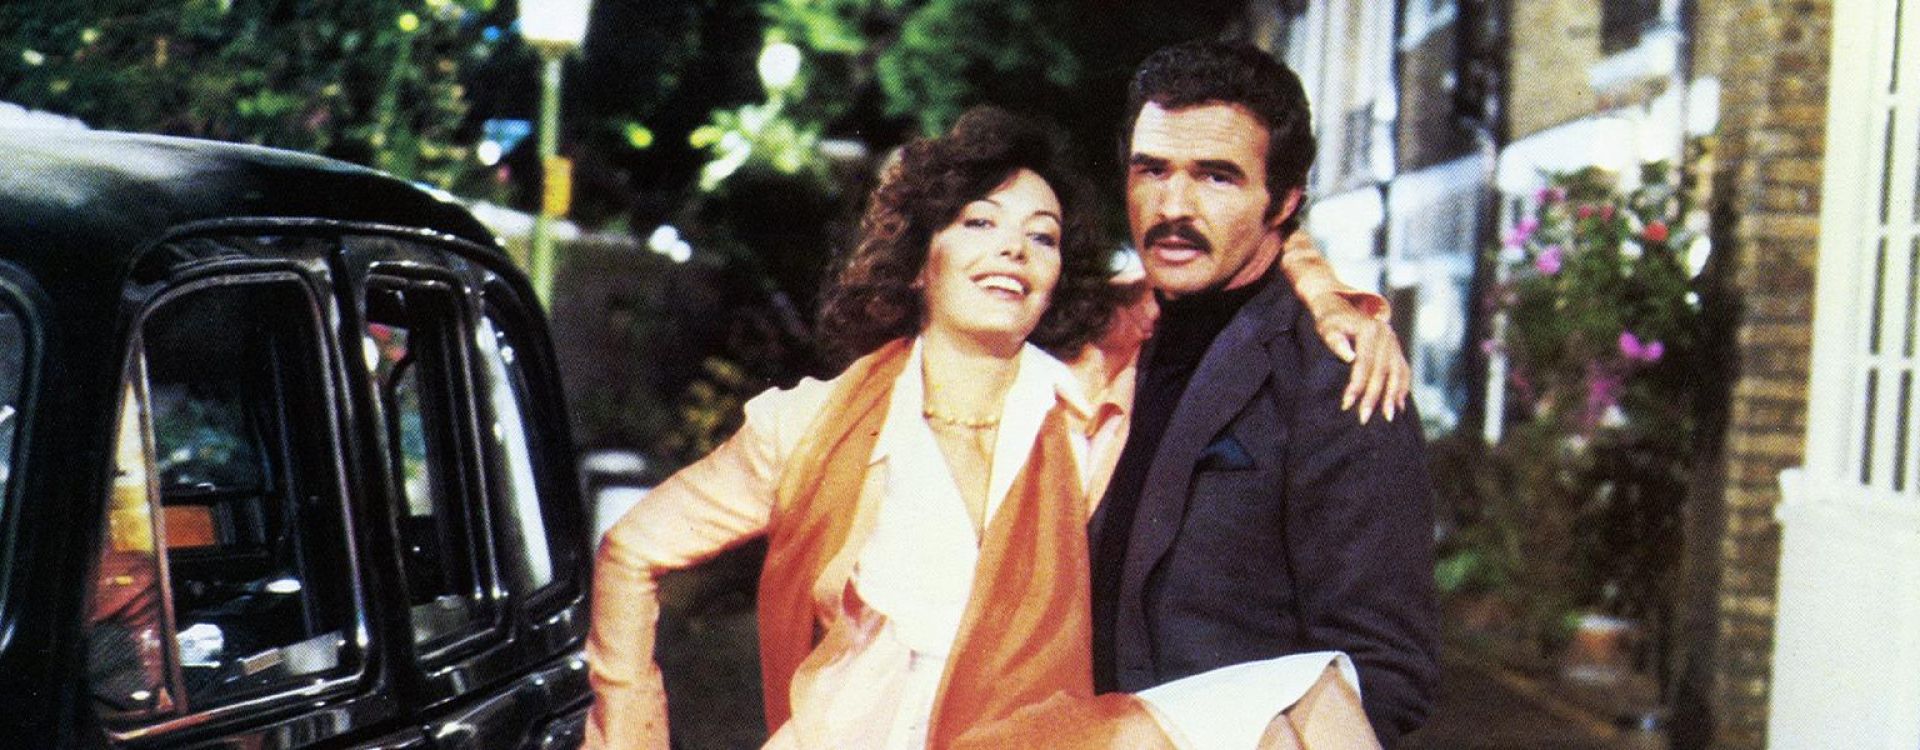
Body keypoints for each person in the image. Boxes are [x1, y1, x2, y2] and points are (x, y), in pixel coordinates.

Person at [585, 107, 1399, 749]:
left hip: (1028, 736)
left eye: (1041, 236)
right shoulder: (810, 423)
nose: (1013, 249)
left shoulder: (1080, 396)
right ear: (920, 259)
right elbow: (631, 550)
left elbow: (1231, 245)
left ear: (1055, 276)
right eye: (980, 223)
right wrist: (628, 735)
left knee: (1314, 693)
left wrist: (1332, 300)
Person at [1087, 41, 1440, 747]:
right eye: (1151, 170)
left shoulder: (1340, 371)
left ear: (1283, 202)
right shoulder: (1099, 338)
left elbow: (1382, 669)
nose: (1172, 206)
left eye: (1216, 177)